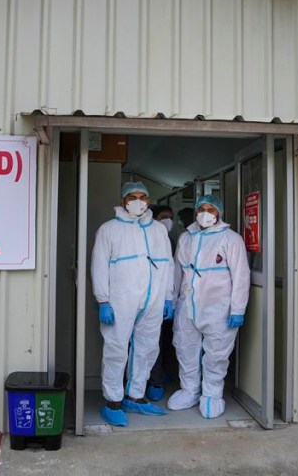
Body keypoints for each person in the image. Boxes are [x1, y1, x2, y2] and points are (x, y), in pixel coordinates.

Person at [91, 182, 175, 426]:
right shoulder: (109, 229)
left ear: (149, 201)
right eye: (132, 196)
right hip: (121, 299)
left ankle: (136, 397)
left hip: (155, 298)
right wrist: (103, 300)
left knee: (148, 348)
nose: (138, 201)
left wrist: (168, 296)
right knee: (116, 349)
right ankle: (113, 401)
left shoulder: (158, 230)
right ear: (123, 199)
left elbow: (168, 264)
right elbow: (98, 265)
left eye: (142, 197)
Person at [168, 194, 249, 419]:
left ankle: (212, 393)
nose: (206, 214)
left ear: (219, 213)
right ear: (195, 212)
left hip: (219, 307)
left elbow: (241, 275)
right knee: (185, 348)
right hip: (187, 305)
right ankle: (190, 390)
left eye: (211, 210)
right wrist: (171, 299)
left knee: (217, 352)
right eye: (201, 209)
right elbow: (177, 270)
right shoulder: (185, 237)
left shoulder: (231, 239)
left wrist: (237, 309)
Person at [146, 205, 177, 401]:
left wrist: (170, 299)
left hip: (165, 299)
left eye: (170, 217)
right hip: (145, 299)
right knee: (148, 343)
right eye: (163, 217)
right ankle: (153, 381)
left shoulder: (171, 240)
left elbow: (172, 270)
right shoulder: (146, 237)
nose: (167, 220)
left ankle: (158, 379)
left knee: (163, 340)